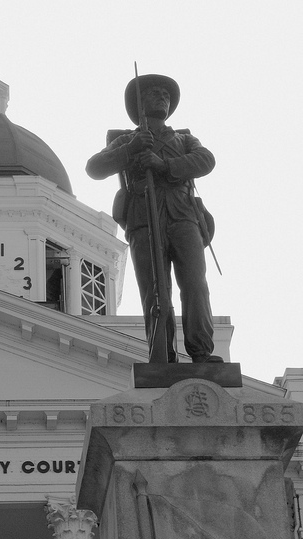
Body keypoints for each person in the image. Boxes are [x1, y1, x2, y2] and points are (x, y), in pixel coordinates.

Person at [86, 74, 222, 364]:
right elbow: (94, 168)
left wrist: (165, 165)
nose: (162, 97)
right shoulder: (127, 140)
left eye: (165, 94)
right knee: (155, 291)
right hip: (143, 217)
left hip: (182, 215)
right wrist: (131, 149)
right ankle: (163, 355)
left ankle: (201, 351)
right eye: (154, 93)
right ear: (140, 103)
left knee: (195, 284)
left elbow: (206, 160)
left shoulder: (184, 138)